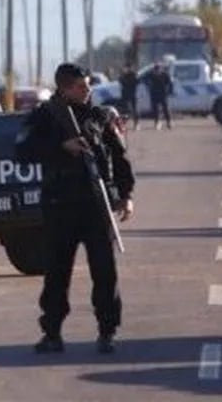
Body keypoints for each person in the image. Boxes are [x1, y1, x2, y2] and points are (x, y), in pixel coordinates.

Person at [20, 63, 135, 355]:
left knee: (104, 272)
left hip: (96, 206)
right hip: (61, 206)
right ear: (64, 88)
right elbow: (23, 150)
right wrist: (61, 146)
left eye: (88, 86)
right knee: (57, 274)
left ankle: (107, 331)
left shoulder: (99, 116)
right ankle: (52, 333)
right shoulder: (46, 117)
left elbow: (119, 157)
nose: (88, 91)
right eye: (81, 87)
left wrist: (125, 194)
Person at [143, 62, 173, 130]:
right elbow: (144, 79)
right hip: (154, 94)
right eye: (156, 69)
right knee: (155, 109)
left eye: (158, 69)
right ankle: (157, 122)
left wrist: (169, 91)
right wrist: (148, 86)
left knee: (165, 108)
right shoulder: (151, 74)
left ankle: (169, 122)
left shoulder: (165, 74)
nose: (157, 71)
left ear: (161, 69)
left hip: (163, 94)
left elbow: (170, 83)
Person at [117, 63, 139, 130]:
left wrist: (124, 78)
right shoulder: (124, 75)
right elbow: (120, 81)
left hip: (132, 94)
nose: (127, 69)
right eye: (126, 68)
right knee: (124, 109)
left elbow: (132, 83)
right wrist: (121, 76)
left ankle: (136, 124)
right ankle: (123, 123)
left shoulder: (133, 74)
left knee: (134, 109)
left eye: (128, 68)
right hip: (125, 94)